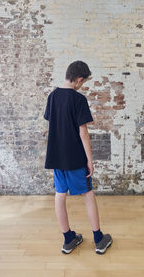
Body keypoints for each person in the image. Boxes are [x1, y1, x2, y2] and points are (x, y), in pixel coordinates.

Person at [43, 60, 113, 254]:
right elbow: (83, 133)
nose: (82, 85)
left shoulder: (53, 96)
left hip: (57, 157)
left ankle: (68, 239)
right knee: (88, 194)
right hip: (75, 157)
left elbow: (53, 123)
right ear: (79, 79)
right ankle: (99, 239)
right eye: (83, 82)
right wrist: (89, 160)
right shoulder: (78, 99)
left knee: (60, 195)